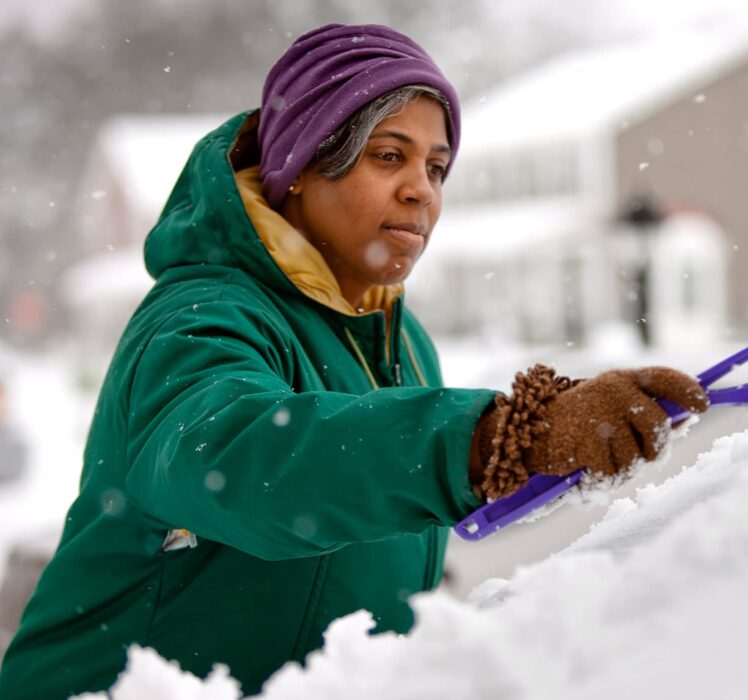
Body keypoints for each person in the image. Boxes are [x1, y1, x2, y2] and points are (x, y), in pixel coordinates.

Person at [0, 24, 707, 698]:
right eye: (389, 156)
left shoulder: (403, 343)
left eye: (436, 167)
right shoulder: (201, 318)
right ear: (301, 165)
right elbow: (245, 464)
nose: (421, 190)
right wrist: (496, 436)